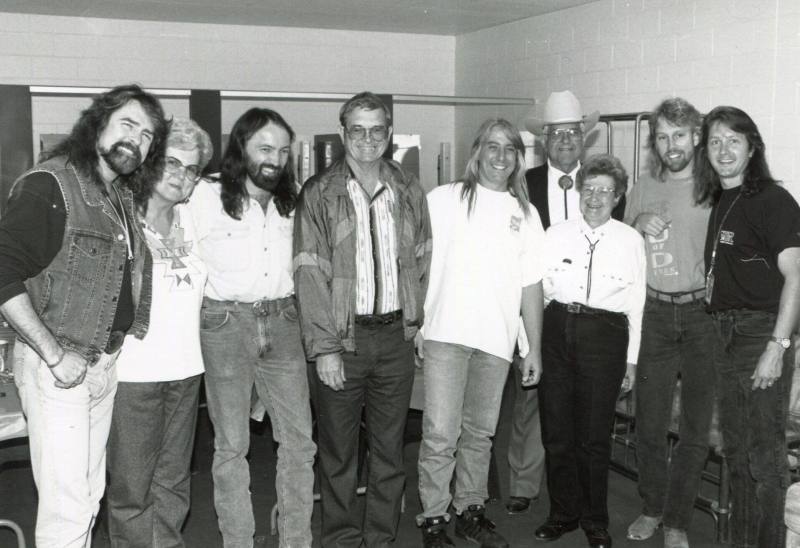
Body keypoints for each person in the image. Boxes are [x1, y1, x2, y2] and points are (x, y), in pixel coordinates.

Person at [0, 84, 168, 547]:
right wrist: (54, 355)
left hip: (101, 367)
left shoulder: (120, 199)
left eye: (149, 135)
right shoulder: (50, 185)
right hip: (59, 370)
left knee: (88, 500)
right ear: (97, 124)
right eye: (128, 125)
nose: (137, 139)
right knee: (68, 509)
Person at [294, 91, 431, 547]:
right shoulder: (319, 192)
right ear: (343, 133)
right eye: (358, 130)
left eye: (376, 130)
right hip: (343, 345)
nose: (367, 140)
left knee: (390, 454)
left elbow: (424, 258)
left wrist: (416, 324)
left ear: (388, 135)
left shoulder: (409, 189)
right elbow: (309, 275)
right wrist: (326, 348)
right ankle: (341, 541)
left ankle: (380, 540)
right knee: (339, 455)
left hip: (395, 340)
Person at [188, 108, 315, 548]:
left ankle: (297, 541)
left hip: (282, 322)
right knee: (231, 447)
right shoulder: (203, 196)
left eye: (282, 151)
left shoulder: (291, 200)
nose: (274, 159)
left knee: (300, 444)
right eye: (265, 148)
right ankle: (238, 541)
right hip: (225, 325)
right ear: (241, 147)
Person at [416, 118, 545, 548]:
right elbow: (416, 260)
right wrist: (416, 322)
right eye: (493, 147)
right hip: (446, 336)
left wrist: (533, 350)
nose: (501, 156)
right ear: (477, 152)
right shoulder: (444, 199)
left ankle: (469, 509)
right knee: (440, 434)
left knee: (480, 434)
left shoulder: (525, 215)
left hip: (496, 342)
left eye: (510, 149)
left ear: (518, 160)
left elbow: (531, 285)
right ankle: (433, 519)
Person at [506, 90, 625, 515]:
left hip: (589, 317)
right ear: (544, 140)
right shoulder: (524, 185)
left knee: (577, 412)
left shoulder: (600, 186)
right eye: (556, 134)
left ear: (583, 137)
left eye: (573, 132)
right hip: (539, 306)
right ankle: (523, 482)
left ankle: (576, 496)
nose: (565, 140)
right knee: (531, 398)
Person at [105, 117, 213, 547]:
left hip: (187, 373)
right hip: (133, 376)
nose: (180, 175)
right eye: (171, 162)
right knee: (132, 491)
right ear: (150, 162)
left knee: (172, 486)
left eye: (191, 169)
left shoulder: (195, 218)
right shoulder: (120, 219)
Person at [697, 106, 800, 548]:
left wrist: (776, 347)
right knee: (735, 453)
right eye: (716, 141)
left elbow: (797, 275)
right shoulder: (724, 199)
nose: (723, 149)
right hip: (725, 332)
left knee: (765, 458)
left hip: (760, 335)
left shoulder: (773, 200)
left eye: (733, 140)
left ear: (752, 146)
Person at [533, 153, 646, 548]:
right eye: (590, 189)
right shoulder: (555, 234)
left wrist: (632, 359)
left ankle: (595, 519)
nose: (596, 197)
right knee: (557, 431)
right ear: (580, 192)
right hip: (557, 328)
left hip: (606, 336)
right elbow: (536, 292)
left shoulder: (631, 241)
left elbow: (637, 305)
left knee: (594, 437)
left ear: (618, 198)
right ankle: (562, 512)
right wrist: (527, 345)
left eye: (606, 191)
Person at [623, 97, 713, 548]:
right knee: (650, 423)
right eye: (661, 136)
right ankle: (652, 507)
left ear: (696, 136)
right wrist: (636, 223)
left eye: (679, 135)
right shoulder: (641, 187)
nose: (670, 144)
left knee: (695, 430)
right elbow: (620, 248)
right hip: (654, 314)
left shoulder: (715, 188)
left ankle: (677, 520)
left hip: (703, 317)